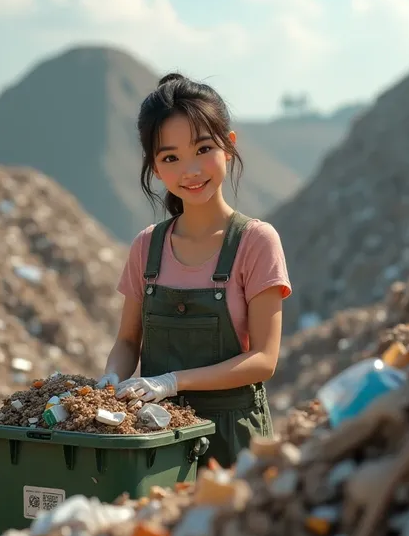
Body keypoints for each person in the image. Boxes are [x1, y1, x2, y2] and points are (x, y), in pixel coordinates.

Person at [97, 72, 292, 467]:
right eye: (170, 157)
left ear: (229, 146)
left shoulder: (256, 242)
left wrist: (172, 382)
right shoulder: (146, 247)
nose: (190, 170)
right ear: (154, 168)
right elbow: (128, 341)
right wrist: (111, 381)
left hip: (233, 440)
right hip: (158, 441)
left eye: (203, 148)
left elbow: (264, 360)